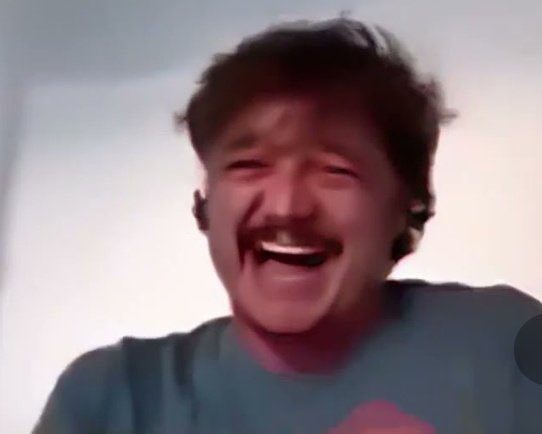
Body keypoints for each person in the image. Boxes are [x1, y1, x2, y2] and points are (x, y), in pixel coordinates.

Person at [34, 18, 542, 434]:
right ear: (207, 202)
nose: (286, 206)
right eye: (248, 165)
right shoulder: (113, 399)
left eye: (335, 171)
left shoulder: (505, 346)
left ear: (403, 206)